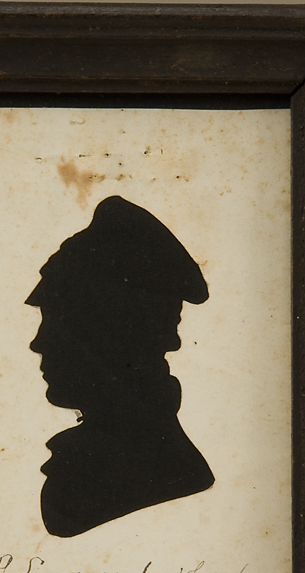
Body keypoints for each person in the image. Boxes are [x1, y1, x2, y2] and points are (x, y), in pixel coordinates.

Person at [26, 195, 214, 537]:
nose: (38, 343)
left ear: (111, 335)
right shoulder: (90, 465)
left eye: (57, 323)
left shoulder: (145, 467)